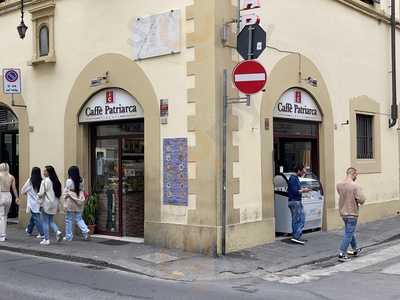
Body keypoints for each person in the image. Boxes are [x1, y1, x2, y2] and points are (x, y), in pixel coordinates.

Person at [336, 167, 366, 262]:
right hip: (352, 212)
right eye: (356, 175)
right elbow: (362, 200)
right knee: (348, 233)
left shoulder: (339, 185)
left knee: (350, 231)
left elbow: (341, 195)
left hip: (343, 212)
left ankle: (355, 249)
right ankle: (341, 253)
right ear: (353, 174)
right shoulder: (354, 186)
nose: (356, 177)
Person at [38, 165, 63, 245]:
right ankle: (57, 231)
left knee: (45, 222)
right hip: (54, 203)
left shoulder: (44, 181)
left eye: (45, 171)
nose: (43, 172)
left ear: (48, 172)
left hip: (46, 203)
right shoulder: (56, 181)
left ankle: (46, 239)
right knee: (51, 221)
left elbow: (41, 193)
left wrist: (37, 195)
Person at [63, 166, 89, 241]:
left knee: (68, 219)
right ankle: (85, 231)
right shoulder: (81, 180)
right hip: (79, 200)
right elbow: (82, 189)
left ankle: (69, 236)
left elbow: (67, 190)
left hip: (70, 201)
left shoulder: (69, 181)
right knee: (79, 218)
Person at [287, 164, 311, 245]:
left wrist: (304, 172)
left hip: (295, 201)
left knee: (299, 218)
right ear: (298, 170)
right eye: (302, 171)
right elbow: (295, 191)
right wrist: (304, 190)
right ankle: (295, 237)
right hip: (295, 201)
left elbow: (297, 189)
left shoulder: (295, 178)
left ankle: (296, 236)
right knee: (299, 219)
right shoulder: (293, 178)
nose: (303, 172)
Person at [21, 167, 44, 239]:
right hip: (39, 202)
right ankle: (29, 230)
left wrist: (27, 193)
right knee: (34, 216)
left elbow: (23, 190)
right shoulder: (42, 180)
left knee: (36, 217)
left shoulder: (30, 181)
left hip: (32, 203)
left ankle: (42, 233)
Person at [0, 163, 19, 242]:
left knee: (1, 216)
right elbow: (14, 188)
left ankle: (2, 235)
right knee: (5, 216)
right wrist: (17, 197)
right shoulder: (11, 177)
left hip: (1, 194)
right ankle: (4, 234)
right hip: (8, 195)